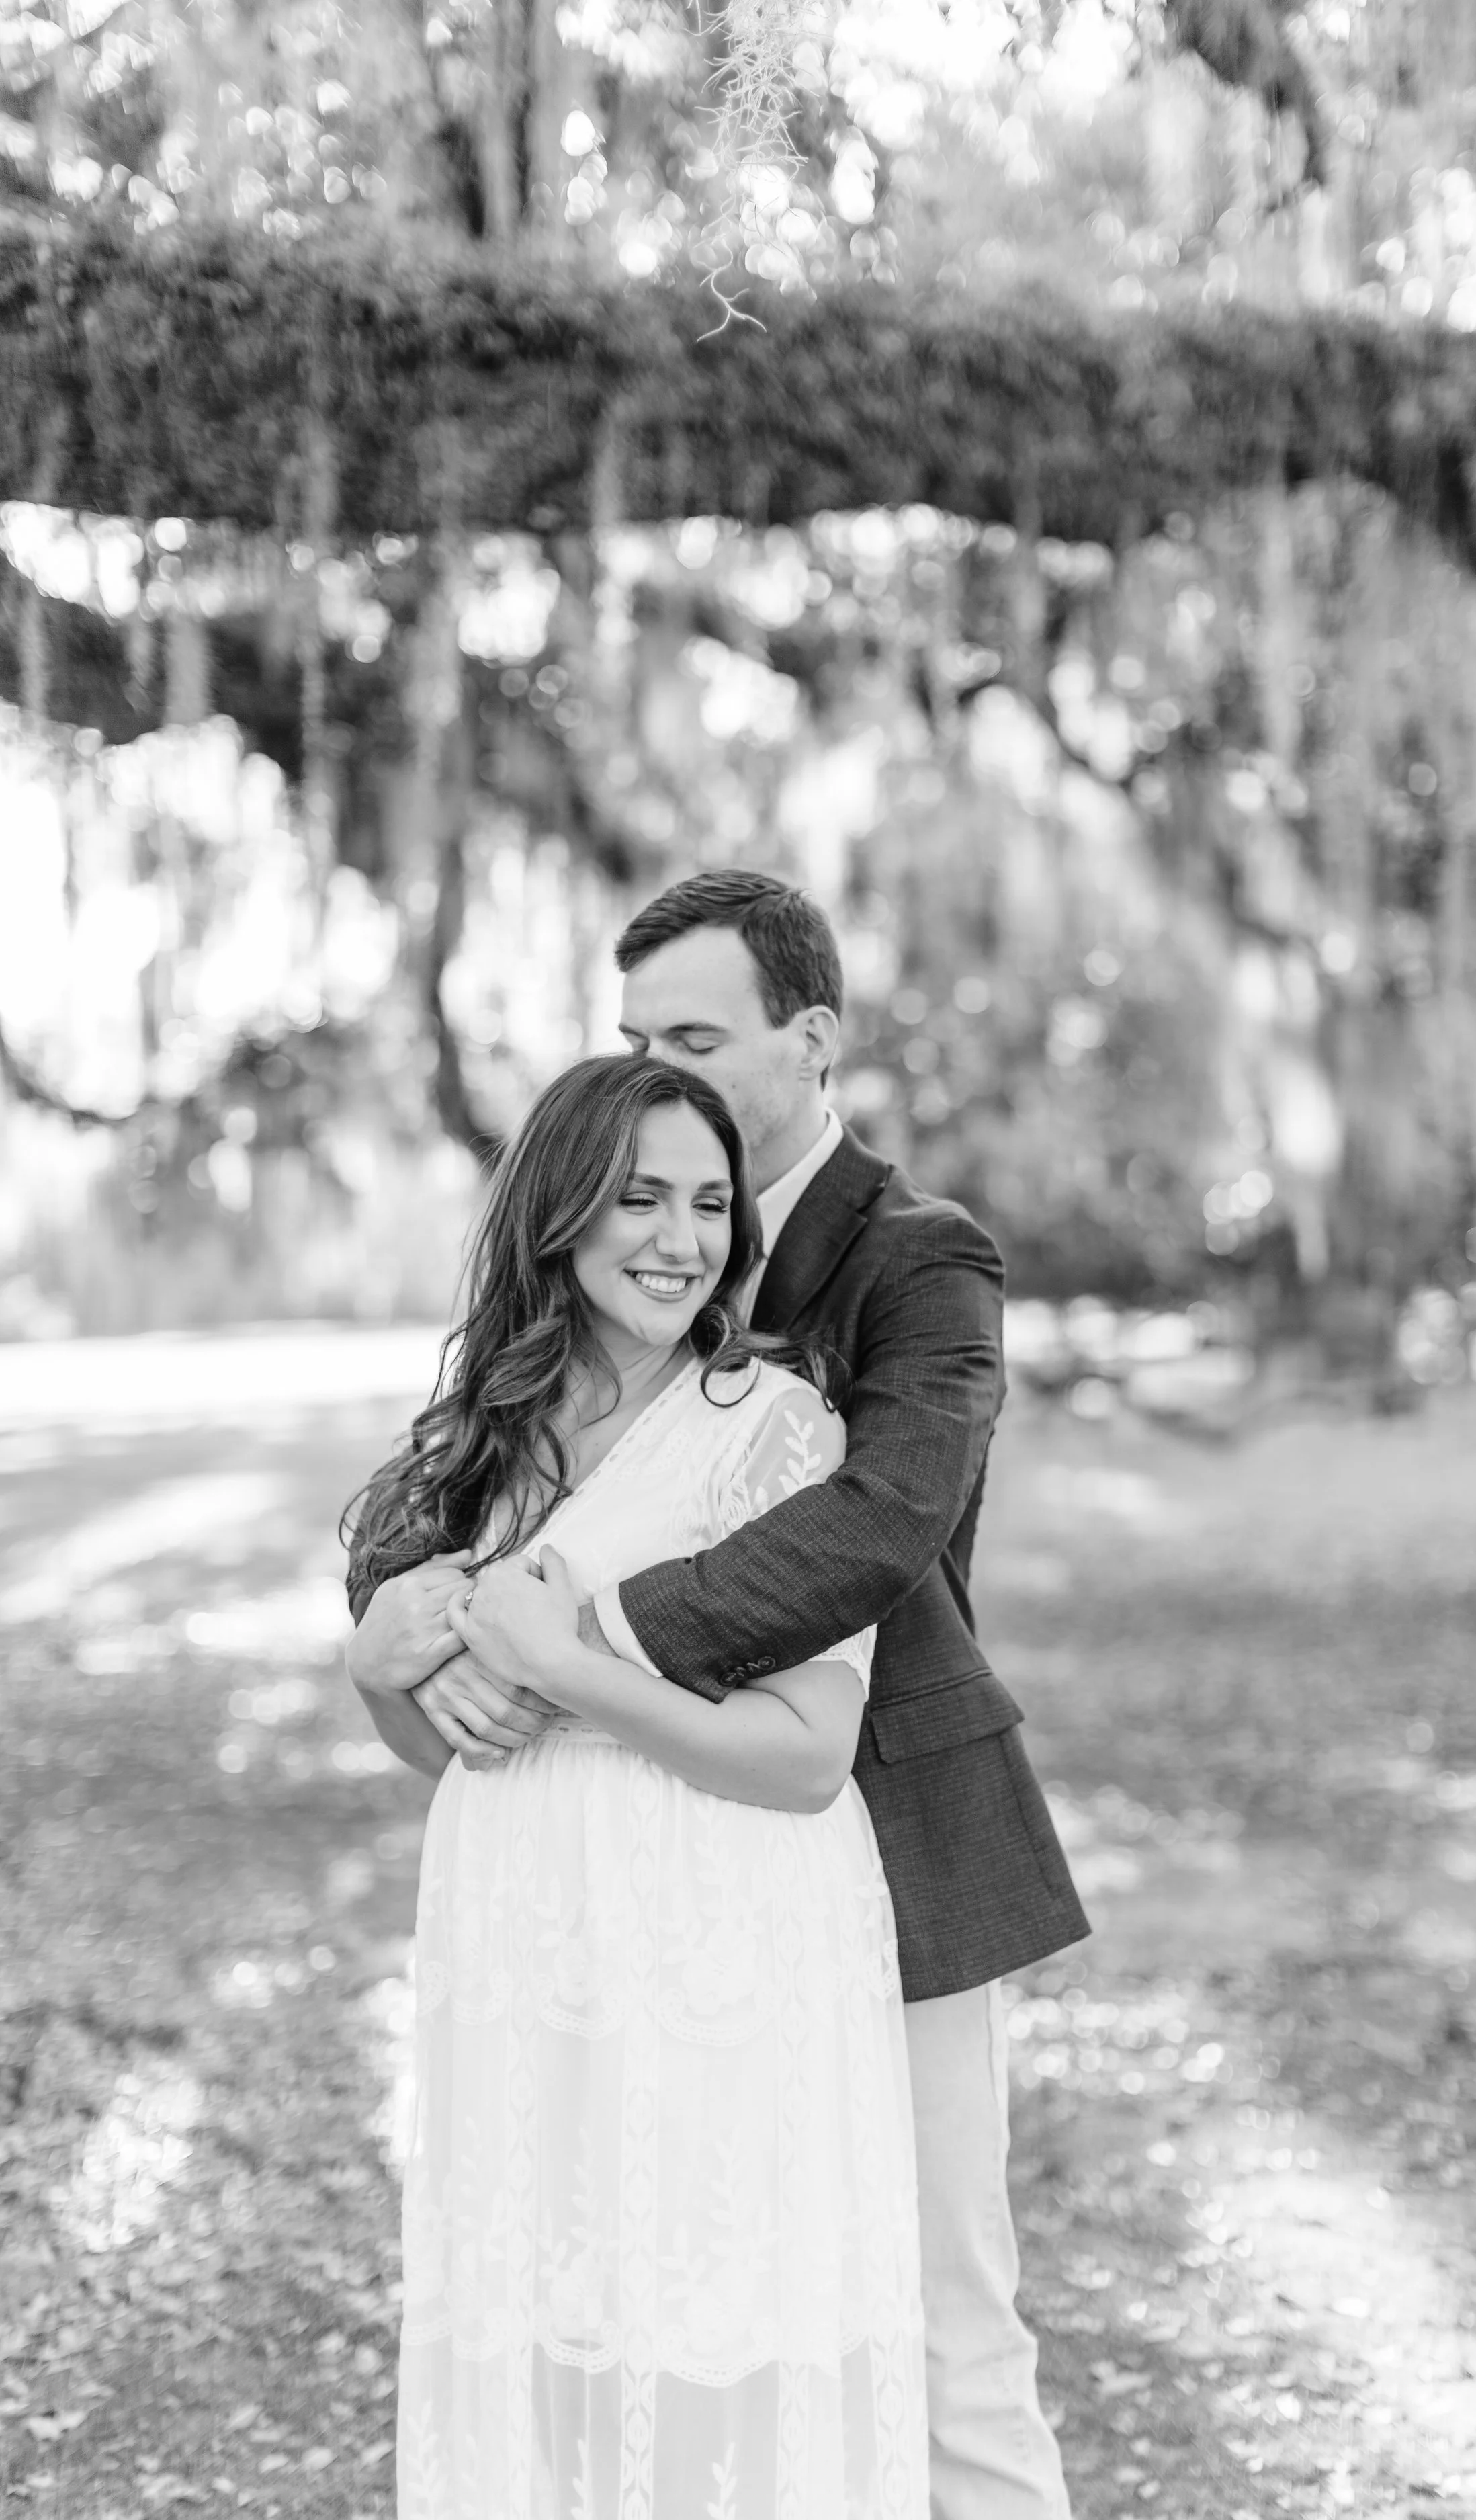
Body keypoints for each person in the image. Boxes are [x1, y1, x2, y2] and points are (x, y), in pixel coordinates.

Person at [350, 872, 1090, 2520]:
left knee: (937, 2315)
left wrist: (571, 1645)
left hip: (881, 1824)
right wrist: (413, 1632)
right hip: (618, 1882)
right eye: (633, 1041)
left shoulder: (917, 1260)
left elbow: (877, 1527)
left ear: (808, 1042)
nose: (655, 1071)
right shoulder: (591, 1256)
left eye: (690, 1039)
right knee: (646, 2292)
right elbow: (446, 1518)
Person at [346, 1054, 926, 2519]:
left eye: (711, 1205)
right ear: (559, 1211)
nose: (682, 1240)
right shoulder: (486, 1431)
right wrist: (377, 1674)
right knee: (550, 2341)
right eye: (640, 1199)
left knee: (708, 2332)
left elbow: (806, 1757)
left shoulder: (773, 1426)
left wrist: (573, 1663)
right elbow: (456, 1751)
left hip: (714, 1931)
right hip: (526, 1940)